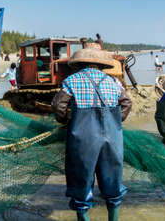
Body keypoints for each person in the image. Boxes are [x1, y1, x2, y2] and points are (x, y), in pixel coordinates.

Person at [52, 48, 132, 221]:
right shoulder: (114, 81)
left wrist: (67, 121)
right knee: (113, 182)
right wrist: (115, 122)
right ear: (102, 65)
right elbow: (126, 103)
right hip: (113, 139)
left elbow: (58, 106)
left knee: (81, 181)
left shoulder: (71, 81)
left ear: (78, 64)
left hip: (82, 138)